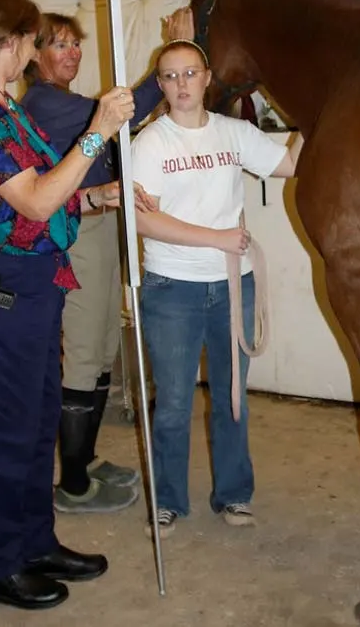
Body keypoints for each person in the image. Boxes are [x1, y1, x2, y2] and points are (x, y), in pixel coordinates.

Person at [0, 0, 135, 610]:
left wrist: (99, 197)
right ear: (16, 42)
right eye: (34, 41)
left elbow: (46, 188)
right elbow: (37, 200)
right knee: (2, 430)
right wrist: (98, 131)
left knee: (38, 420)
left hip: (33, 282)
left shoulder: (2, 101)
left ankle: (34, 543)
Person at [20, 8, 194, 513]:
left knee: (97, 350)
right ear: (35, 56)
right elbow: (131, 107)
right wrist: (171, 58)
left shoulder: (70, 102)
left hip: (97, 229)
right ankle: (72, 483)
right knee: (82, 351)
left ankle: (86, 459)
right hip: (76, 234)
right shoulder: (47, 103)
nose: (71, 52)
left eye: (75, 44)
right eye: (59, 45)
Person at [131, 39, 304, 537]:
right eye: (170, 76)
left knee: (233, 397)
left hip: (232, 285)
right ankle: (168, 500)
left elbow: (288, 165)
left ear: (207, 78)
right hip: (173, 290)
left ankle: (234, 494)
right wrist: (218, 238)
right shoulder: (152, 143)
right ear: (160, 84)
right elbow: (146, 222)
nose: (181, 84)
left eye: (190, 73)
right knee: (175, 403)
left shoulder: (235, 133)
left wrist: (317, 111)